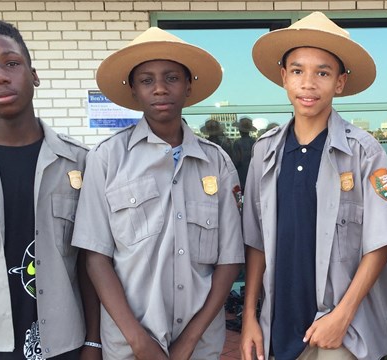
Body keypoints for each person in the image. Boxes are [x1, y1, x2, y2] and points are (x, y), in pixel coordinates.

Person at [240, 12, 387, 360]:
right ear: (284, 77)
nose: (308, 83)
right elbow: (255, 241)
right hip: (279, 324)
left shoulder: (364, 152)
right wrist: (249, 319)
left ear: (340, 83)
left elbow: (381, 243)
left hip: (342, 329)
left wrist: (342, 315)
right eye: (298, 71)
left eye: (323, 72)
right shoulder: (265, 151)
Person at [71, 26, 244, 359]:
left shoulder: (217, 163)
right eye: (147, 80)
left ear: (189, 86)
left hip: (199, 345)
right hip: (128, 343)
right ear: (134, 91)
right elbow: (96, 258)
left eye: (172, 78)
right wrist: (138, 340)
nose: (160, 88)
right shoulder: (107, 159)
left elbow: (229, 260)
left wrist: (190, 339)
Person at [0, 20, 100, 360]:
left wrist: (94, 341)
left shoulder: (81, 164)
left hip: (64, 345)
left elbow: (91, 263)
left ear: (34, 74)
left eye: (11, 63)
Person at [231, 116, 257, 190]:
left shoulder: (237, 143)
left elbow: (236, 160)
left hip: (240, 173)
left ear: (240, 130)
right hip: (252, 173)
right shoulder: (255, 142)